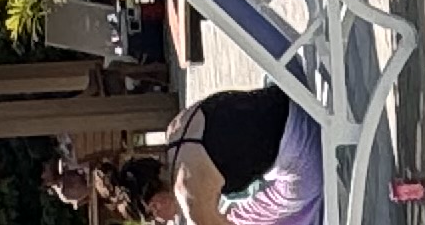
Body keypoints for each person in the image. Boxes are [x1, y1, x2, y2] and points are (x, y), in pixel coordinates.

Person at [51, 88, 328, 225]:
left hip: (304, 148)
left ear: (156, 205)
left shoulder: (189, 195)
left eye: (156, 219)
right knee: (237, 207)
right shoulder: (175, 130)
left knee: (247, 220)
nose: (164, 221)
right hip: (287, 98)